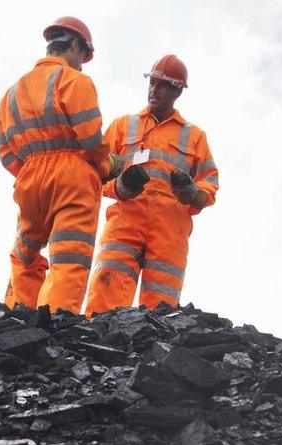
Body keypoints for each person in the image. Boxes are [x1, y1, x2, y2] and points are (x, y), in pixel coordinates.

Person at [0, 16, 121, 314]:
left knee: (24, 254)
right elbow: (91, 139)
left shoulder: (10, 94)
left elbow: (6, 154)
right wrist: (107, 167)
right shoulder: (74, 81)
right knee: (69, 257)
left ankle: (16, 320)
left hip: (28, 181)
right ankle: (55, 324)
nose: (81, 64)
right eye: (82, 57)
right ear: (75, 45)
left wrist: (30, 173)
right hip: (72, 178)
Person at [85, 54, 219, 315]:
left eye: (162, 85)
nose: (153, 90)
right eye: (152, 83)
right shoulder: (124, 126)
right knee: (105, 296)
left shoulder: (194, 136)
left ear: (177, 91)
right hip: (125, 223)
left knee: (161, 313)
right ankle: (96, 351)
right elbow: (95, 173)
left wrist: (192, 193)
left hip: (170, 231)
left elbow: (210, 183)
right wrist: (120, 187)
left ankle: (151, 355)